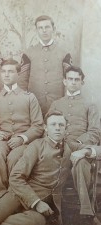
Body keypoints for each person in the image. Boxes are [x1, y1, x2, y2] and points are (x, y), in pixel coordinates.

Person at [48, 66, 101, 224]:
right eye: (70, 79)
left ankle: (86, 211)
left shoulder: (90, 104)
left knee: (81, 163)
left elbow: (94, 132)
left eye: (76, 79)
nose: (73, 82)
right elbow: (48, 128)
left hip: (80, 146)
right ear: (64, 81)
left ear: (82, 82)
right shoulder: (56, 104)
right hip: (58, 147)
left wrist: (79, 144)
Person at [0, 59, 44, 200]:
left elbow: (38, 126)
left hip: (25, 142)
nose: (6, 75)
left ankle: (14, 196)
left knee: (14, 157)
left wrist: (21, 138)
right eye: (3, 71)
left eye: (11, 71)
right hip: (4, 140)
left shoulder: (29, 97)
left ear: (18, 74)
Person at [18, 15, 73, 115]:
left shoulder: (64, 53)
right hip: (34, 105)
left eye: (47, 27)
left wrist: (66, 103)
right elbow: (22, 82)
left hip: (57, 105)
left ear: (53, 29)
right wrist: (25, 103)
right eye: (40, 28)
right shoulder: (28, 53)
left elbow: (69, 82)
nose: (44, 31)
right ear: (36, 31)